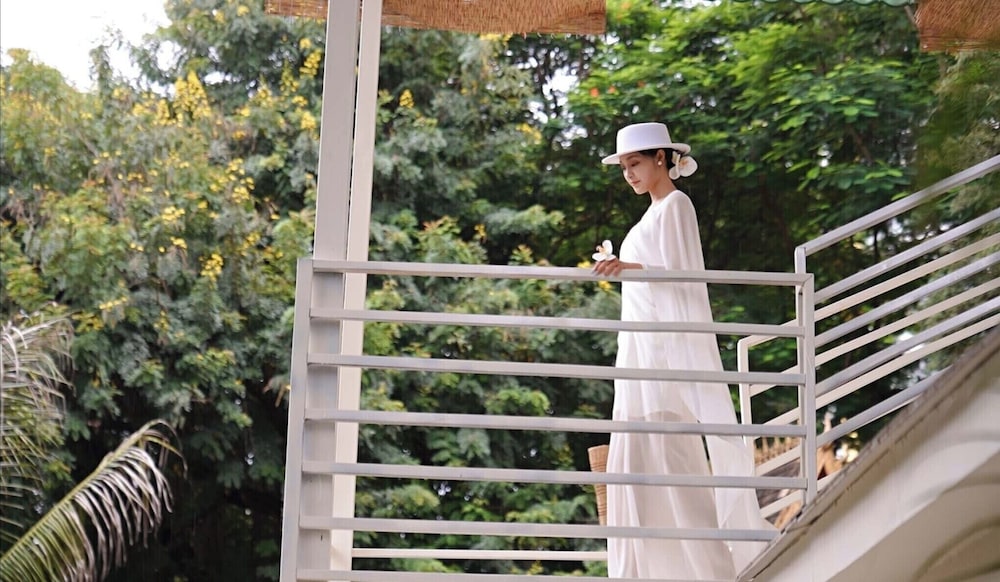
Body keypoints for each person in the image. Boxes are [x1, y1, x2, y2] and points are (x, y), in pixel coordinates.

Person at [592, 122, 773, 579]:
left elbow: (680, 276)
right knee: (634, 464)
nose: (629, 174)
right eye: (623, 167)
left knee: (669, 460)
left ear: (661, 158)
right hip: (640, 351)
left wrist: (627, 267)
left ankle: (712, 570)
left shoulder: (676, 205)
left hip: (663, 354)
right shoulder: (650, 215)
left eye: (635, 163)